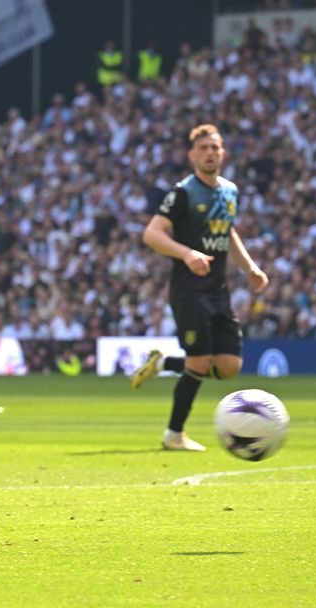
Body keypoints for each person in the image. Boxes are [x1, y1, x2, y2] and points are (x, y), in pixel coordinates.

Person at [129, 124, 268, 451]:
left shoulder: (229, 191)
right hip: (188, 290)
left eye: (215, 148)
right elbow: (152, 234)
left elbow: (228, 232)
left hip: (219, 290)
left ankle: (163, 363)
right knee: (199, 362)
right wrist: (187, 253)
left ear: (223, 153)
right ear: (192, 155)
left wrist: (250, 267)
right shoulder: (183, 193)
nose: (210, 153)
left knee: (229, 367)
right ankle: (173, 435)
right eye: (203, 148)